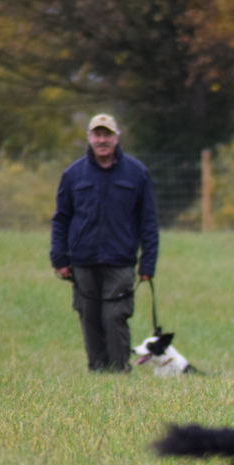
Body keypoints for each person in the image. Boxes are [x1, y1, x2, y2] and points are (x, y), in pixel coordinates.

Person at [50, 114, 158, 372]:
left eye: (107, 134)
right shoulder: (73, 174)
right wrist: (59, 258)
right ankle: (98, 370)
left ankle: (119, 370)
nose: (102, 140)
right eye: (97, 134)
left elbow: (148, 223)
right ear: (89, 137)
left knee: (114, 317)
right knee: (89, 317)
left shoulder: (137, 173)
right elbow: (61, 218)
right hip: (82, 261)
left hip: (120, 261)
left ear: (116, 137)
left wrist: (148, 264)